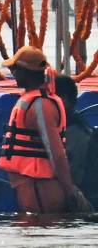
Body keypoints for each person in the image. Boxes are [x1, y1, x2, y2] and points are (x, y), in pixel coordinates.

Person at [0, 46, 90, 213]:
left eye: (15, 69)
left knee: (41, 232)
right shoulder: (32, 100)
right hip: (32, 187)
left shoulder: (41, 105)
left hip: (42, 190)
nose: (13, 73)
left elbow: (57, 153)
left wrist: (71, 192)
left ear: (27, 72)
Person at [54, 74, 98, 207]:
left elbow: (76, 178)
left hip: (85, 204)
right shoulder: (75, 127)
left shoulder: (76, 135)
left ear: (63, 100)